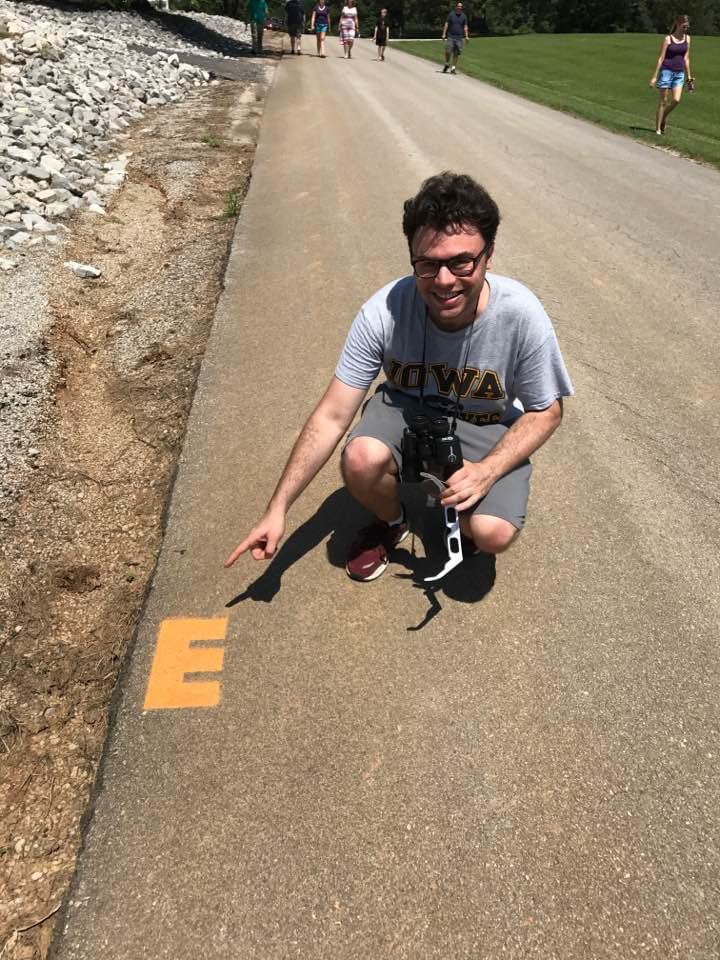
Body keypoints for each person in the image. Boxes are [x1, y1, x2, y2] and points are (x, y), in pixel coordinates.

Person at [225, 172, 574, 584]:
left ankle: (461, 516)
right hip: (409, 410)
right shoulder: (384, 310)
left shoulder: (521, 314)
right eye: (427, 264)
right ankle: (393, 520)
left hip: (485, 421)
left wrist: (489, 470)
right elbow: (332, 416)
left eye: (462, 261)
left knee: (491, 533)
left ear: (489, 254)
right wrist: (277, 508)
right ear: (412, 256)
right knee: (360, 459)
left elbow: (546, 410)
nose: (444, 281)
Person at [649, 14, 693, 135]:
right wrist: (654, 76)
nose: (686, 29)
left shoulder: (688, 39)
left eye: (687, 26)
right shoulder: (668, 39)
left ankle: (663, 117)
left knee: (676, 100)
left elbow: (686, 58)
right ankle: (658, 129)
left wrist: (689, 77)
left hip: (679, 73)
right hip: (666, 71)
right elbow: (661, 58)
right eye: (684, 26)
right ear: (678, 24)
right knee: (663, 101)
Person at [441, 1, 469, 74]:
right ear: (456, 7)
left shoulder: (464, 16)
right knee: (448, 51)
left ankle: (453, 68)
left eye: (461, 6)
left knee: (456, 53)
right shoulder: (451, 15)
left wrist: (466, 36)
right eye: (458, 6)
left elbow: (465, 27)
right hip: (451, 36)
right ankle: (447, 63)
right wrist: (444, 34)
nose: (460, 7)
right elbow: (446, 24)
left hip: (459, 38)